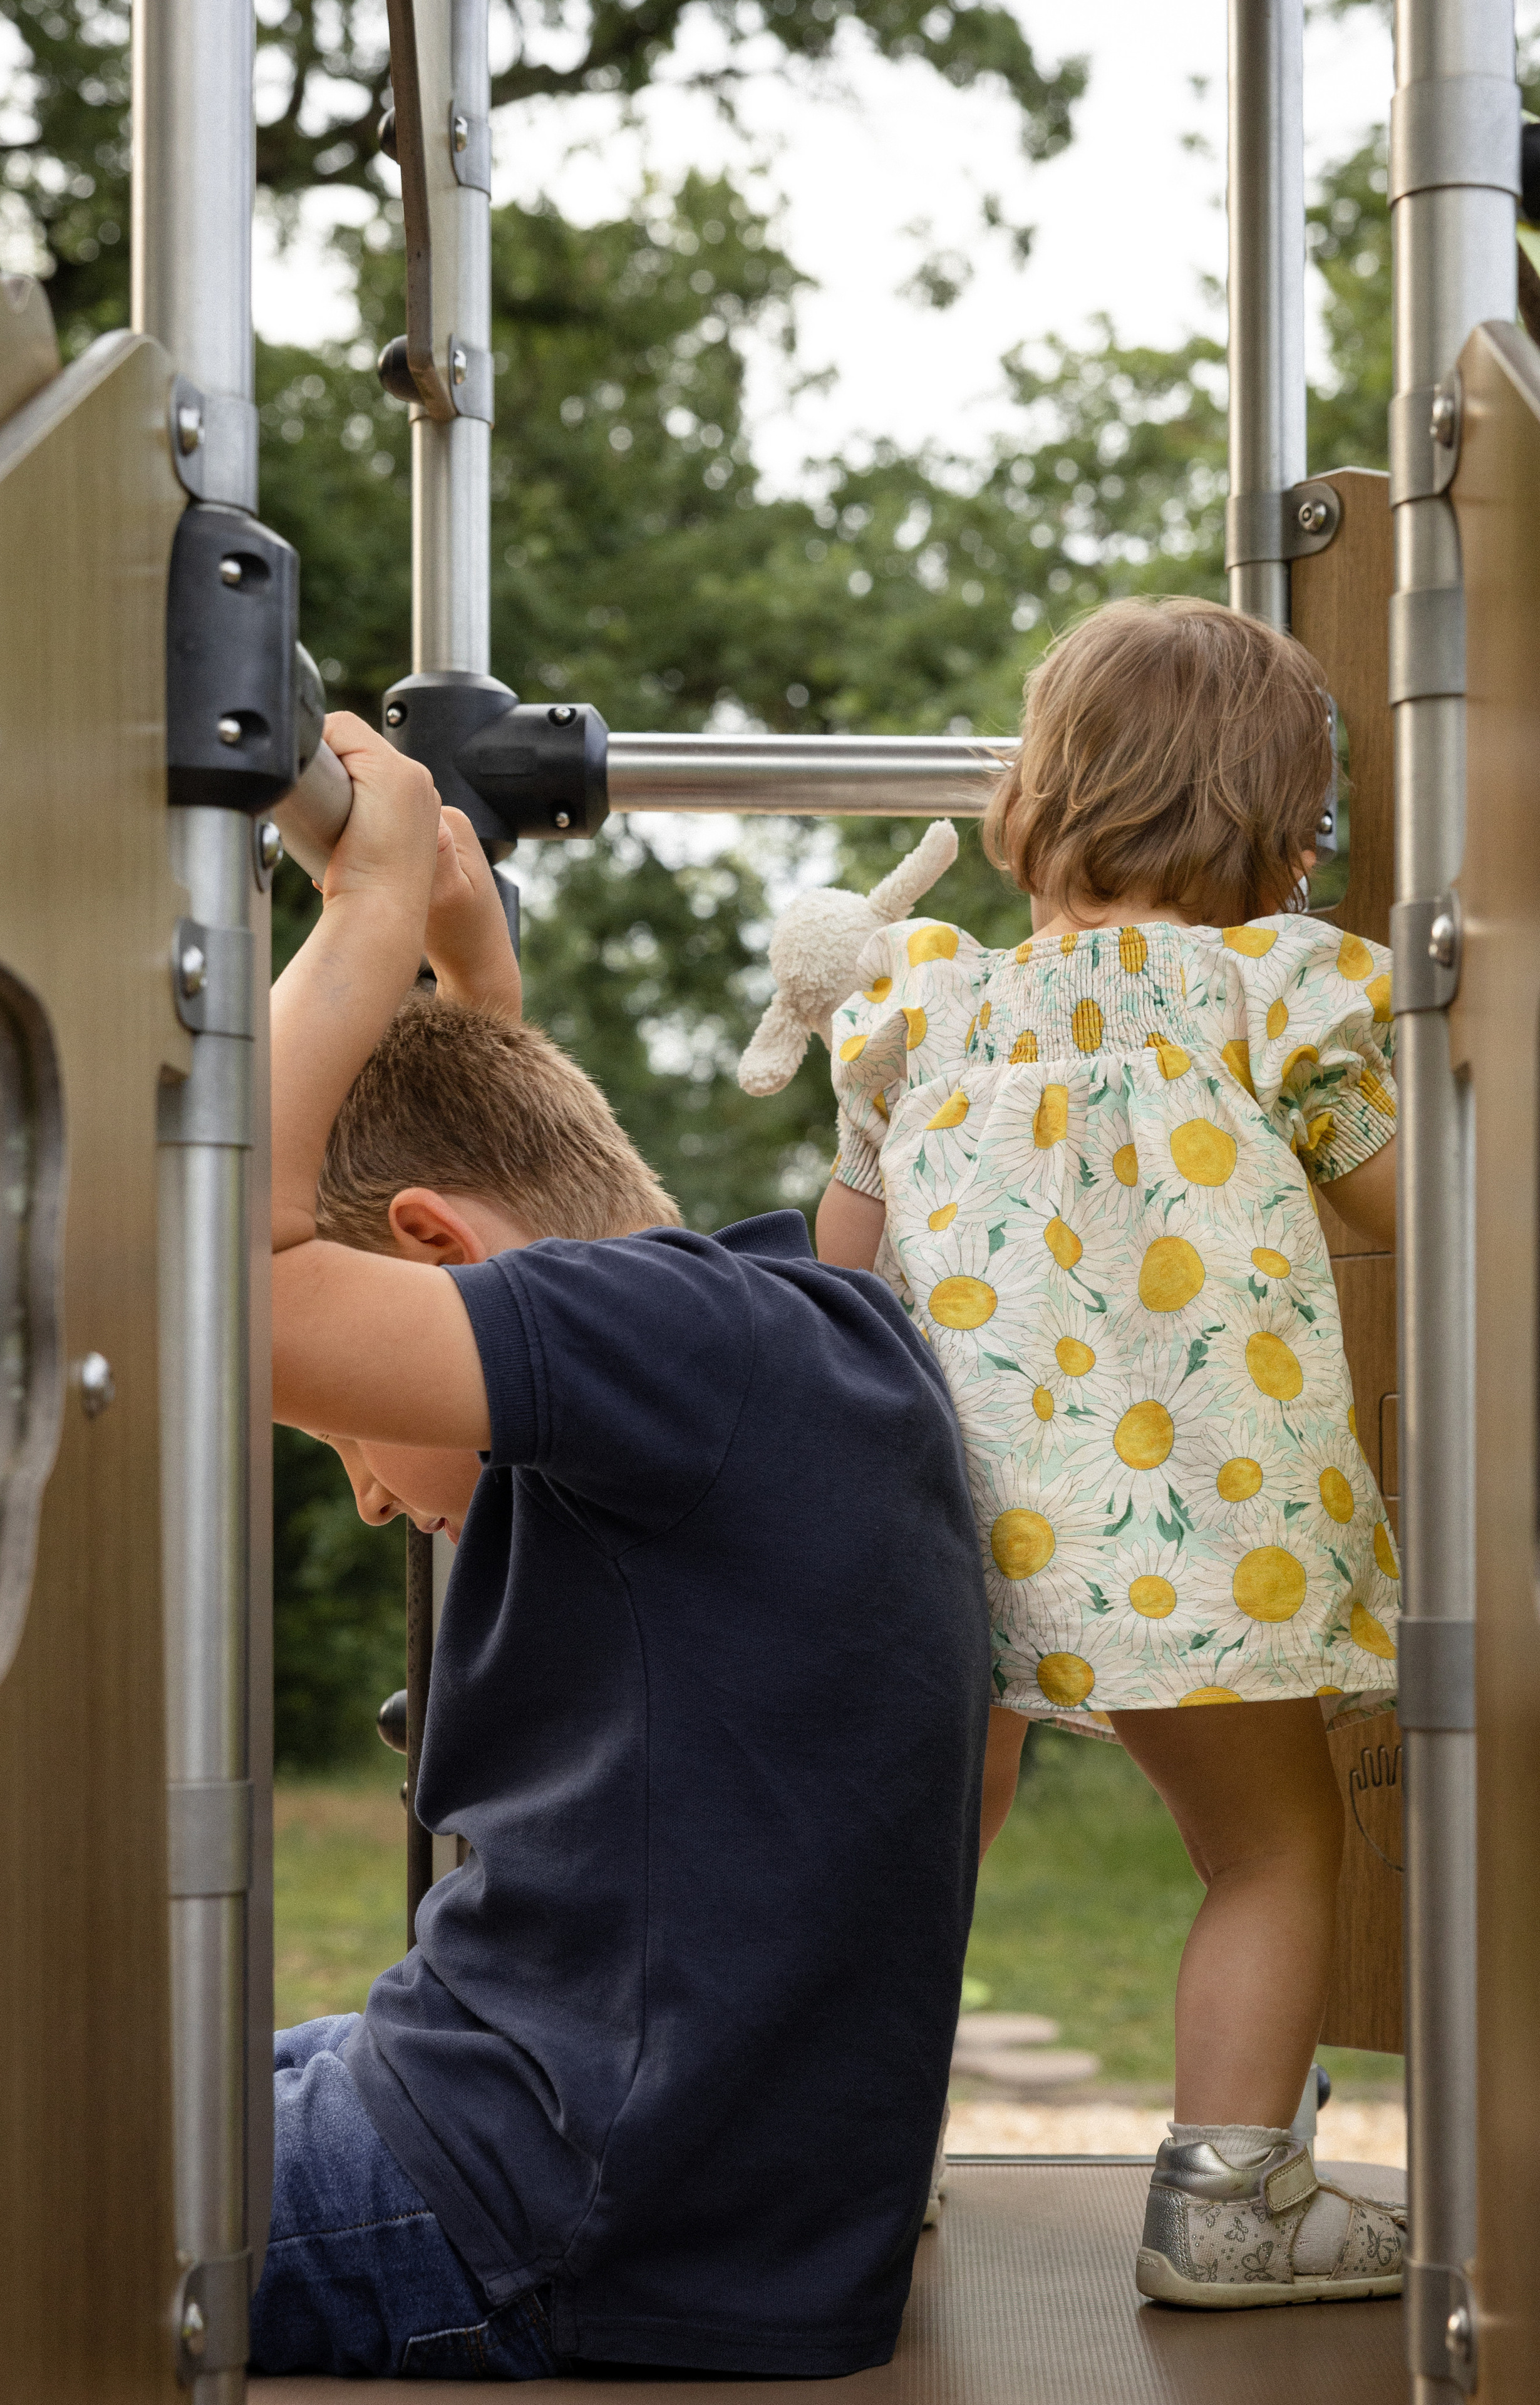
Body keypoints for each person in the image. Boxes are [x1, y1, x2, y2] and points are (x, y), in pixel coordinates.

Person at [255, 720, 990, 2379]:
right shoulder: (756, 1355)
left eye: (344, 1430)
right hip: (575, 2146)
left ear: (439, 1255)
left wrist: (368, 912)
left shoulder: (684, 1354)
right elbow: (507, 1168)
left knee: (53, 2184)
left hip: (543, 2208)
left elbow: (227, 1282)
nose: (374, 1495)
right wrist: (464, 955)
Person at [815, 595, 1406, 2309]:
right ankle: (1230, 2201)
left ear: (1040, 794)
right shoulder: (1276, 994)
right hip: (1197, 1521)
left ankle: (844, 2154)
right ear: (1289, 830)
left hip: (948, 1517)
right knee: (1273, 1847)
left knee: (932, 1839)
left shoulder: (921, 1007)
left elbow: (840, 1292)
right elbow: (1414, 1213)